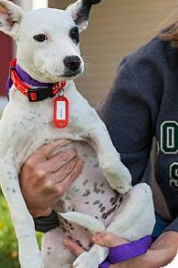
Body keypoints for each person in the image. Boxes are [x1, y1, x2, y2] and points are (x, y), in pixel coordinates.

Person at [19, 23, 178, 267]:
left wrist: (170, 245)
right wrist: (39, 206)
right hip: (150, 223)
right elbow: (112, 185)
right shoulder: (150, 66)